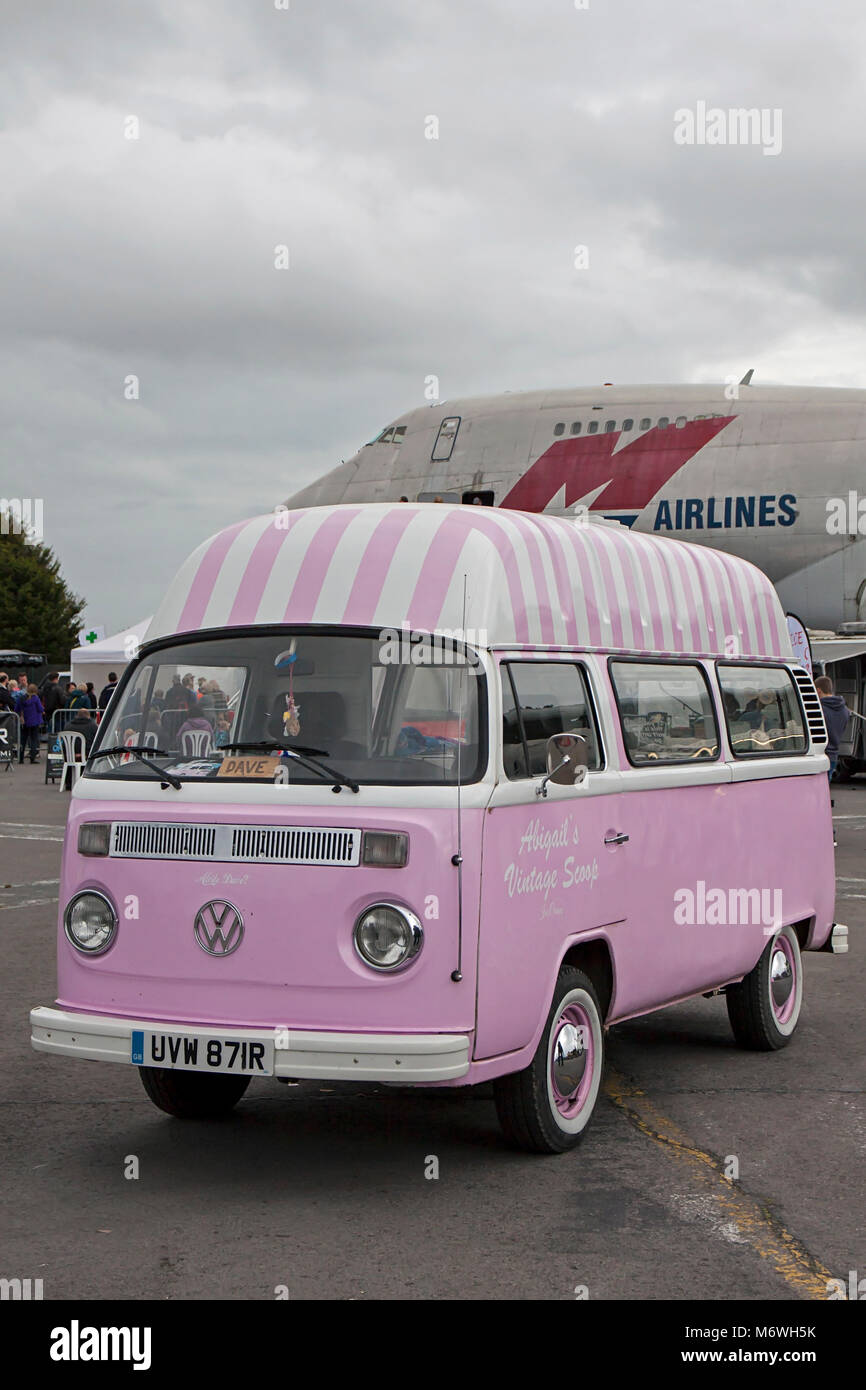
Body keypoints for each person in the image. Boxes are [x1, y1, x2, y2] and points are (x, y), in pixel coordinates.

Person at [815, 675, 850, 781]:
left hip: (819, 755)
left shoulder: (819, 709)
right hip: (833, 755)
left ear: (818, 690)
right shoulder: (845, 710)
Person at [18, 684, 44, 763]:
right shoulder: (36, 699)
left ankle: (21, 758)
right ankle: (32, 758)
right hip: (34, 721)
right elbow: (40, 709)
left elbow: (17, 708)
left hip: (24, 721)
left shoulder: (21, 698)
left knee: (23, 740)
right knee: (33, 740)